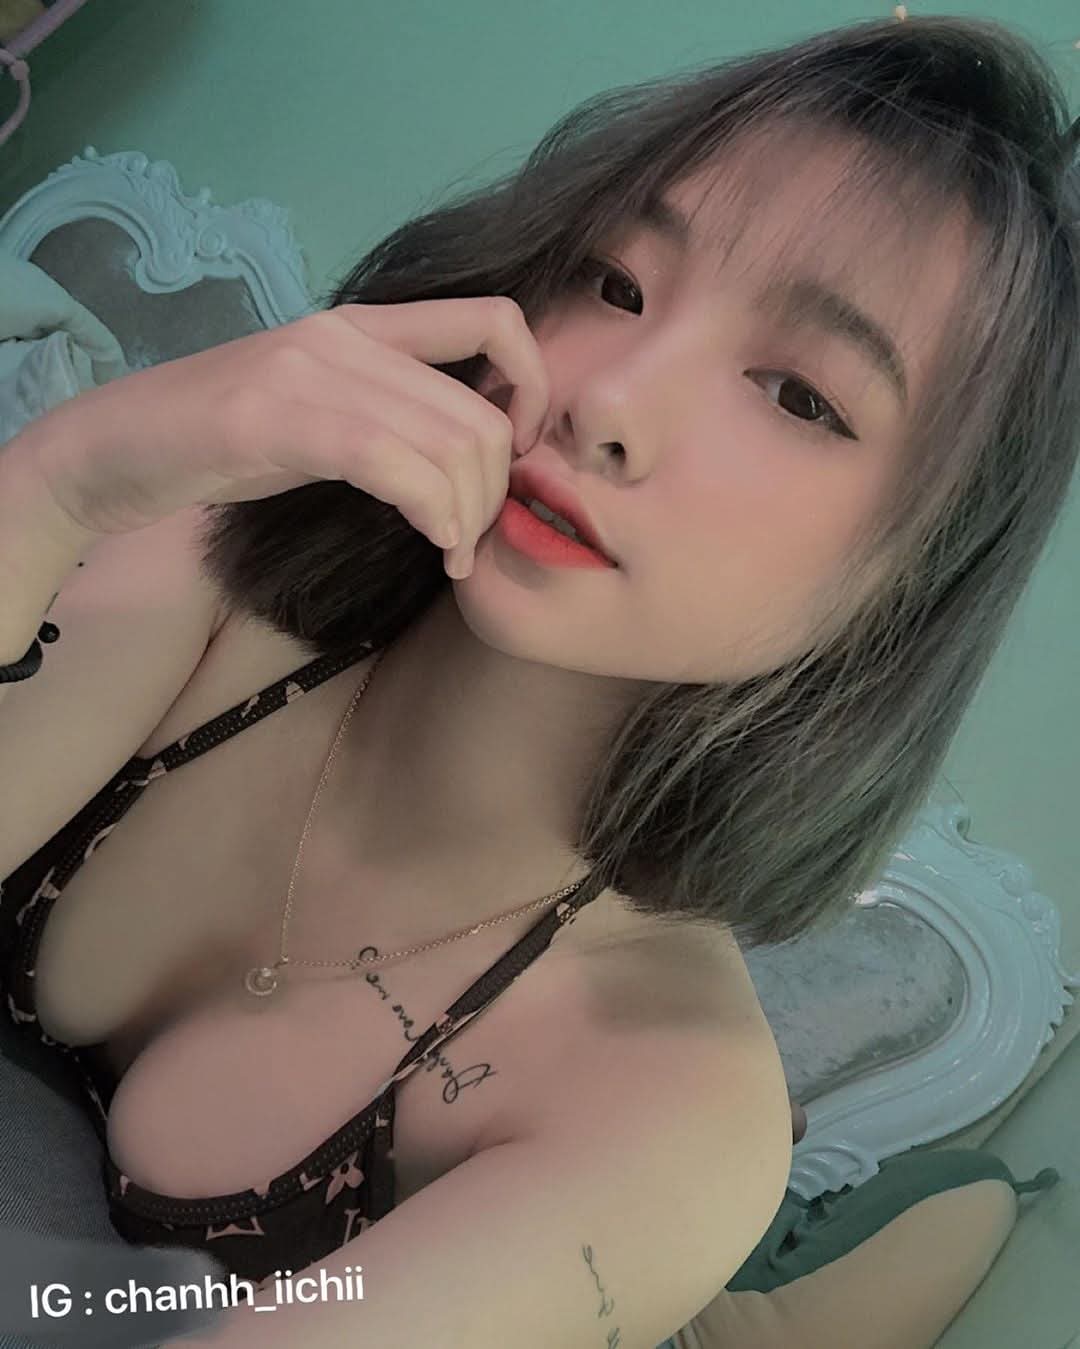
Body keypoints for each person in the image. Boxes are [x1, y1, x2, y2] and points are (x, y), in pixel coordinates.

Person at [0, 11, 1077, 1348]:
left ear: (907, 586)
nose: (607, 401)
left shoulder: (672, 1098)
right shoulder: (210, 576)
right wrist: (65, 477)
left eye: (800, 395)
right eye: (616, 282)